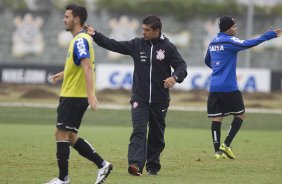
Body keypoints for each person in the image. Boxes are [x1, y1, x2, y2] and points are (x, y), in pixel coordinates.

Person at [84, 15, 187, 176]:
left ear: (157, 31)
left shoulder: (168, 47)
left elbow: (181, 66)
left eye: (147, 30)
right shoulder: (137, 44)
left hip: (160, 100)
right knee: (138, 130)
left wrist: (175, 77)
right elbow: (113, 44)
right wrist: (95, 34)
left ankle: (153, 166)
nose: (143, 32)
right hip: (140, 98)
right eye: (143, 29)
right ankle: (135, 164)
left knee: (156, 135)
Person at [45, 4, 113, 184]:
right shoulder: (78, 39)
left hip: (75, 96)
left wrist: (91, 94)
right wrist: (64, 72)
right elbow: (78, 65)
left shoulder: (80, 40)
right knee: (70, 137)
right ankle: (103, 164)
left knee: (61, 135)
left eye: (67, 16)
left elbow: (87, 66)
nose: (63, 19)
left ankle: (63, 179)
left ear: (76, 19)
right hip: (73, 94)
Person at [204, 16, 281, 159]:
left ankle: (217, 152)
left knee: (217, 118)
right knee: (240, 114)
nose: (236, 28)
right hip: (228, 87)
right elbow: (249, 43)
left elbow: (207, 60)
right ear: (227, 29)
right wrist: (269, 35)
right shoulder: (230, 41)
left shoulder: (213, 41)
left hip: (214, 86)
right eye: (234, 26)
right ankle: (226, 145)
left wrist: (218, 69)